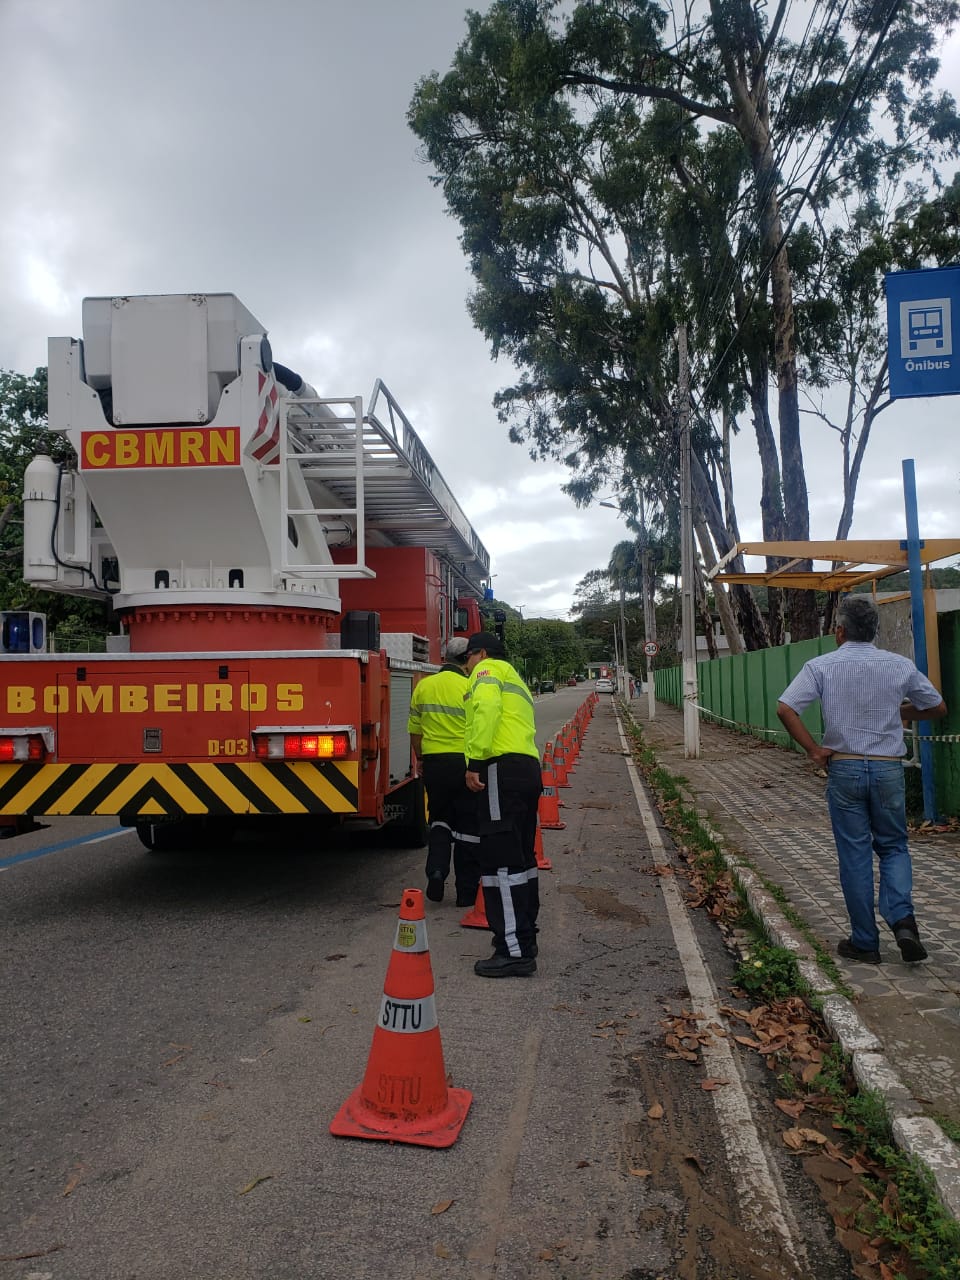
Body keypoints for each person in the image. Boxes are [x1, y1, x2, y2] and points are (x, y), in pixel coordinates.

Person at [776, 595, 947, 966]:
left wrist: (814, 750)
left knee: (854, 855)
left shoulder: (821, 666)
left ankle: (865, 943)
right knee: (894, 847)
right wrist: (899, 710)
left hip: (845, 767)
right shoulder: (898, 666)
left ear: (839, 630)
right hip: (888, 769)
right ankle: (903, 921)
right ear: (874, 631)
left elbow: (785, 708)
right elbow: (936, 707)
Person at [463, 631, 543, 977]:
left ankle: (513, 951)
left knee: (500, 864)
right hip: (526, 768)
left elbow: (487, 709)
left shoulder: (487, 671)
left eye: (467, 657)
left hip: (500, 770)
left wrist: (476, 761)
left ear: (480, 654)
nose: (466, 665)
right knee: (523, 860)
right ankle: (525, 936)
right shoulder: (516, 679)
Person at [408, 637, 480, 907]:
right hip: (464, 763)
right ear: (466, 659)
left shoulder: (424, 686)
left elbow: (415, 729)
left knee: (439, 819)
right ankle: (466, 892)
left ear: (445, 657)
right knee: (467, 825)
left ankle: (436, 872)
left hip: (435, 761)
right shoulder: (470, 686)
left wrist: (421, 759)